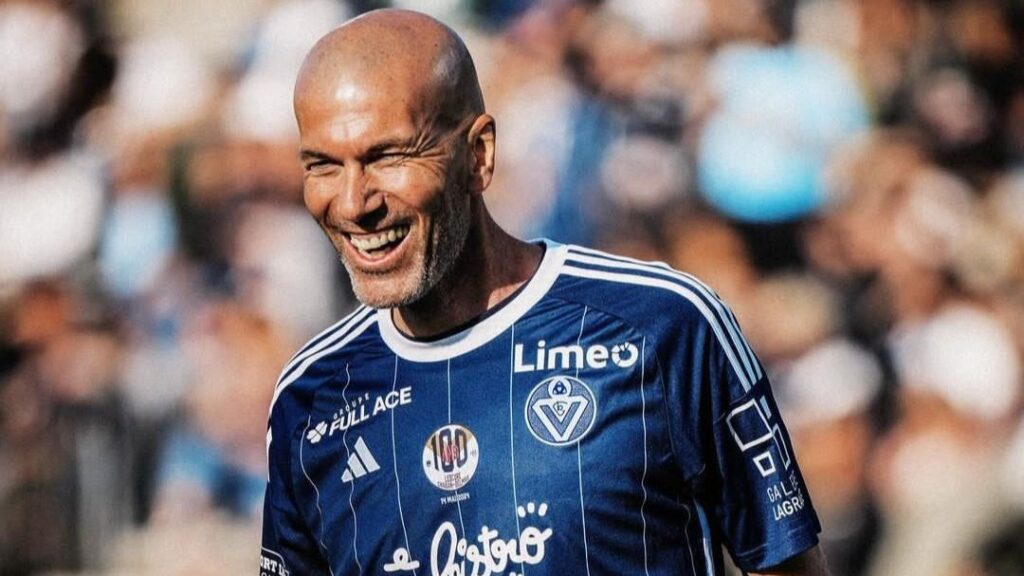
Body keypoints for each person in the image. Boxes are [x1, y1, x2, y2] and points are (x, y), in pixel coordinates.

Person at [261, 9, 830, 576]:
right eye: (323, 166)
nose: (354, 203)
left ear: (478, 154)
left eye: (387, 156)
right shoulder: (309, 400)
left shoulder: (663, 327)